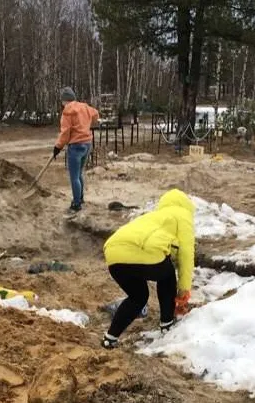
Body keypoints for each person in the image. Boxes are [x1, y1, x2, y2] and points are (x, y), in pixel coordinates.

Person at [101, 189, 195, 349]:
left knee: (138, 296)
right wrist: (183, 292)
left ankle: (110, 338)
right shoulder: (183, 216)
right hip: (143, 250)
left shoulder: (153, 216)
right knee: (167, 275)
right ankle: (167, 323)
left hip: (113, 253)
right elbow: (186, 254)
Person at [53, 87, 99, 214]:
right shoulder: (85, 107)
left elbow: (65, 132)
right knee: (79, 174)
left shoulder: (67, 111)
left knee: (74, 176)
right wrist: (86, 123)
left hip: (76, 146)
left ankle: (76, 204)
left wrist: (58, 146)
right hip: (87, 144)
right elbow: (96, 114)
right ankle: (81, 198)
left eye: (62, 101)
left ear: (65, 100)